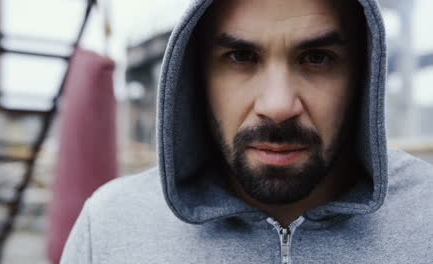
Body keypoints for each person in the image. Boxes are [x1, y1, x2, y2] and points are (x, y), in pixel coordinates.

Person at [61, 0, 433, 263]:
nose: (277, 105)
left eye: (317, 58)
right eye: (240, 57)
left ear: (362, 77)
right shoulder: (111, 225)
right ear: (196, 77)